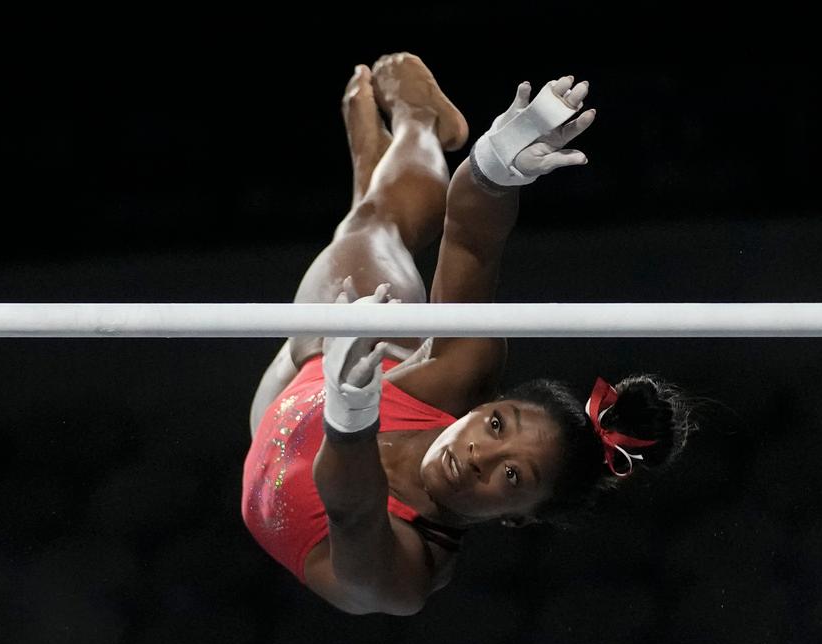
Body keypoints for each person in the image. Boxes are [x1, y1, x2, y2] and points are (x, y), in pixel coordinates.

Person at [242, 53, 694, 615]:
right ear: (486, 403)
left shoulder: (407, 577)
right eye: (498, 423)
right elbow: (470, 243)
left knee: (364, 226)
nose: (481, 453)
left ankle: (377, 170)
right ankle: (419, 119)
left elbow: (353, 514)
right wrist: (493, 169)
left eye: (511, 474)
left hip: (302, 407)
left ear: (518, 516)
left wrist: (351, 406)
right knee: (371, 231)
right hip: (346, 364)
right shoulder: (459, 373)